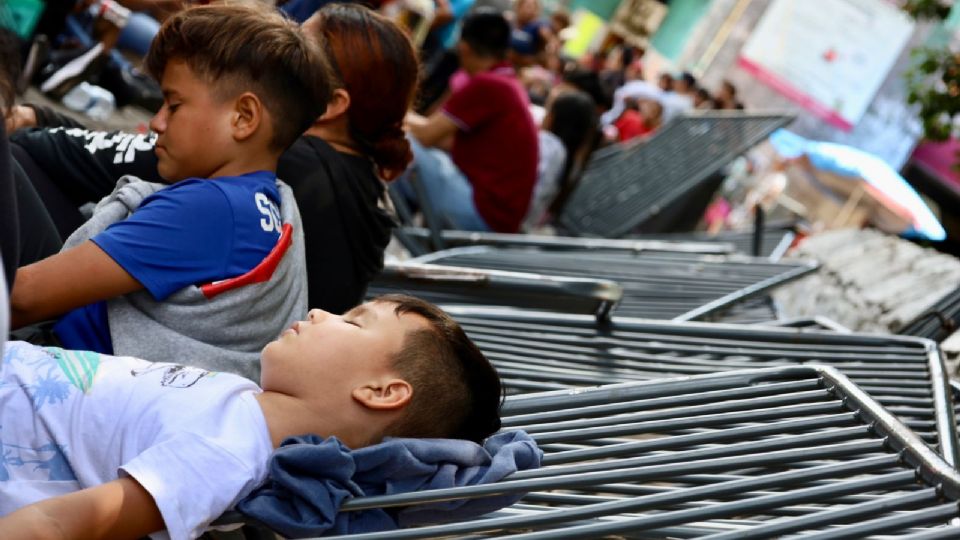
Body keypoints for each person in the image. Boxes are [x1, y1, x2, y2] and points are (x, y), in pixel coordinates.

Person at [9, 3, 415, 315]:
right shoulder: (293, 190)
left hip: (81, 367)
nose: (281, 56)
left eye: (301, 52)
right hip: (161, 368)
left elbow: (23, 299)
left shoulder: (247, 183)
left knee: (11, 159)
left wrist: (37, 119)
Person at [0, 294, 504, 539]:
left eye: (353, 322)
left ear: (379, 391)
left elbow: (62, 523)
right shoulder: (241, 406)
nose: (321, 314)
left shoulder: (228, 456)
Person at [9, 4, 329, 379]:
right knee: (25, 163)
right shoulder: (271, 199)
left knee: (8, 163)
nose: (157, 122)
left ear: (244, 117)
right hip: (105, 362)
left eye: (174, 105)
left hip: (72, 372)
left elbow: (24, 300)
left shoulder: (212, 209)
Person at [404, 9, 538, 233]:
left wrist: (387, 107)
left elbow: (426, 136)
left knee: (394, 143)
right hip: (494, 213)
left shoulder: (490, 84)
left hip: (484, 213)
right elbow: (442, 141)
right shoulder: (505, 80)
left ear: (463, 47)